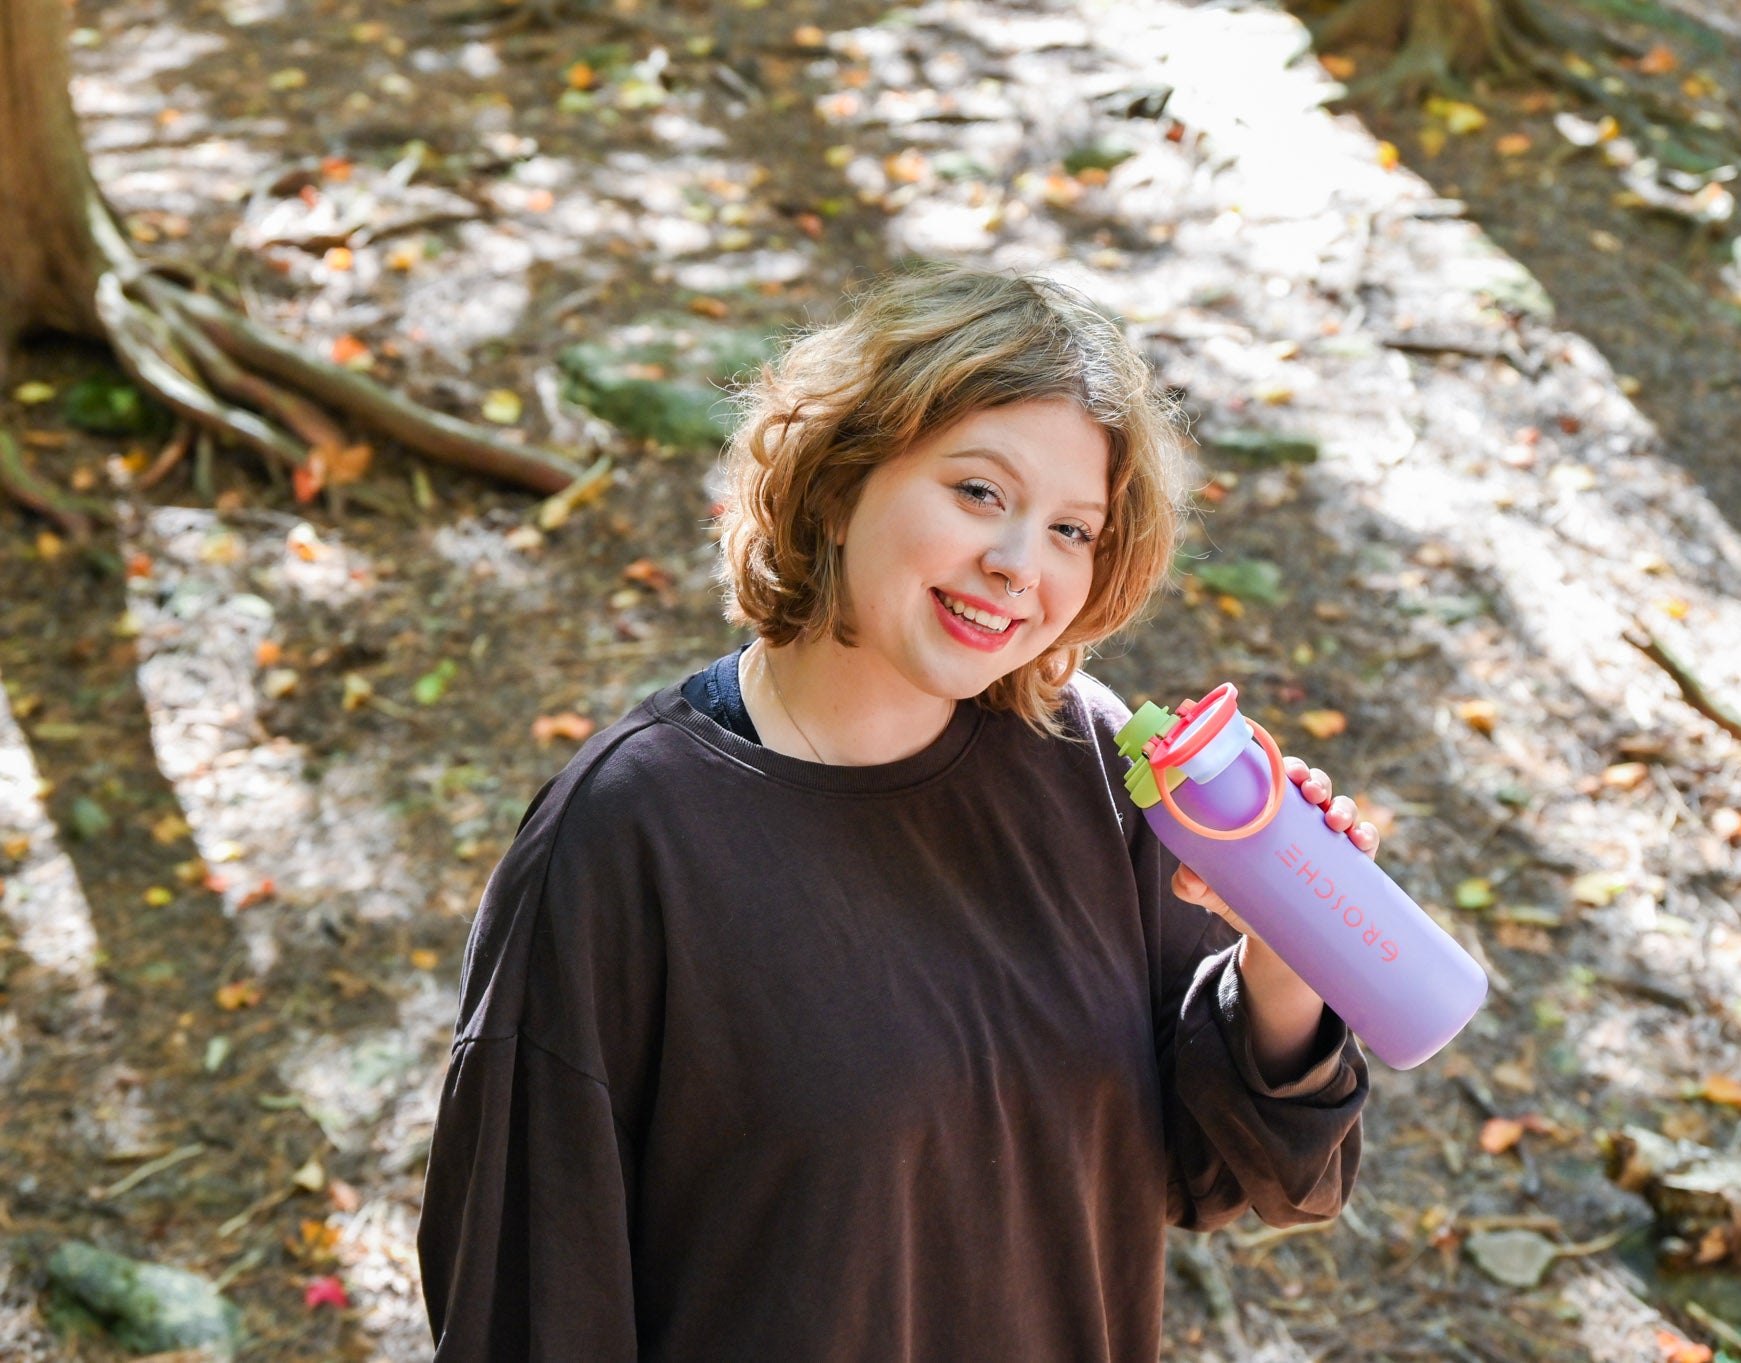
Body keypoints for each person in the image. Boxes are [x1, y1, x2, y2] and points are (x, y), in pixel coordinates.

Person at [417, 261, 1379, 1362]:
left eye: (1072, 528)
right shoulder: (623, 839)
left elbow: (1235, 1172)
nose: (1019, 565)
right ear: (836, 480)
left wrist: (1281, 948)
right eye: (979, 491)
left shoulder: (1087, 764)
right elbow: (528, 1302)